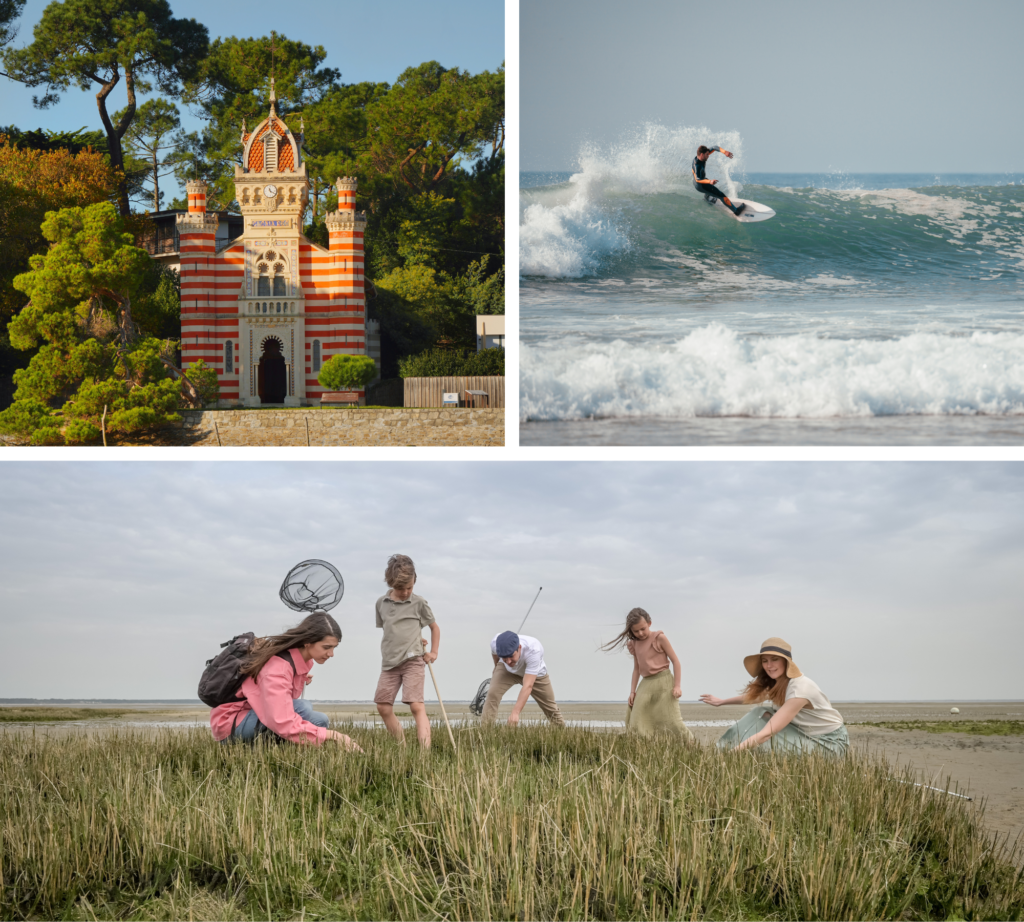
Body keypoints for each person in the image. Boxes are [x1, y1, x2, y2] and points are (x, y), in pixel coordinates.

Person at [209, 610, 361, 749]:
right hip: (232, 725)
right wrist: (333, 736)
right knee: (306, 710)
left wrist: (297, 678)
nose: (331, 654)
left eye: (334, 647)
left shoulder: (298, 662)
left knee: (315, 716)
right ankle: (264, 752)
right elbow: (281, 721)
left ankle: (289, 755)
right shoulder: (278, 669)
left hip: (253, 716)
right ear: (308, 642)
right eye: (326, 647)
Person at [700, 637, 848, 755]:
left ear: (786, 662)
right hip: (803, 733)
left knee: (765, 739)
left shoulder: (800, 689)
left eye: (774, 659)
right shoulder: (779, 683)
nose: (769, 665)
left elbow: (767, 733)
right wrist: (722, 701)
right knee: (759, 713)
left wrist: (733, 755)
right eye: (765, 661)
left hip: (830, 743)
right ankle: (721, 748)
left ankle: (729, 753)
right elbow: (755, 697)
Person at [374, 554, 440, 748]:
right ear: (390, 583)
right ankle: (402, 748)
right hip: (389, 663)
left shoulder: (419, 603)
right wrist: (414, 636)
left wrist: (433, 652)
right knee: (383, 707)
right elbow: (392, 629)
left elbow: (435, 628)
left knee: (416, 706)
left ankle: (424, 754)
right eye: (400, 588)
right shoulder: (381, 604)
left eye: (409, 587)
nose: (405, 592)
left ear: (415, 581)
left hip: (414, 661)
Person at [602, 607, 693, 739]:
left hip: (664, 681)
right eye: (636, 631)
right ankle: (645, 744)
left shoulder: (659, 638)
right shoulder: (634, 643)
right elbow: (637, 669)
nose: (640, 633)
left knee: (671, 719)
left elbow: (675, 661)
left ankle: (689, 744)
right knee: (636, 716)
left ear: (649, 623)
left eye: (643, 629)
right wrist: (632, 692)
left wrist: (677, 686)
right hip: (646, 683)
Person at [481, 630, 565, 727]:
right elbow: (495, 654)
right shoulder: (495, 642)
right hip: (507, 671)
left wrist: (515, 713)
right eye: (504, 657)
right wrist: (496, 668)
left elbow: (528, 686)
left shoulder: (534, 649)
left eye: (511, 656)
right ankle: (485, 730)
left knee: (550, 707)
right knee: (492, 693)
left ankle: (561, 729)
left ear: (519, 648)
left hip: (536, 675)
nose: (508, 661)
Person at [692, 144, 745, 216]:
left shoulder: (701, 157)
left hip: (700, 182)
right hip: (700, 185)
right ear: (702, 154)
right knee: (721, 195)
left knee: (708, 185)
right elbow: (698, 179)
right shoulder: (697, 165)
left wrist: (725, 152)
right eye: (707, 154)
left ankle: (707, 198)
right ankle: (736, 211)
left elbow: (714, 147)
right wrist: (709, 181)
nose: (708, 156)